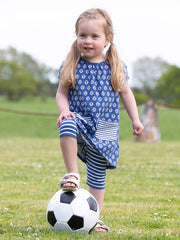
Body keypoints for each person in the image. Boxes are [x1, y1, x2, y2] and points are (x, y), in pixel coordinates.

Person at [56, 8, 144, 232]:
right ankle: (72, 173)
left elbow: (126, 94)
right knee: (67, 123)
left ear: (107, 39)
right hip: (80, 119)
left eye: (94, 36)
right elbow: (61, 93)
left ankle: (93, 219)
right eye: (82, 35)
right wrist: (64, 109)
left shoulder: (115, 66)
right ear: (76, 37)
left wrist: (135, 119)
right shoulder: (71, 65)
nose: (87, 41)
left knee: (97, 177)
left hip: (105, 128)